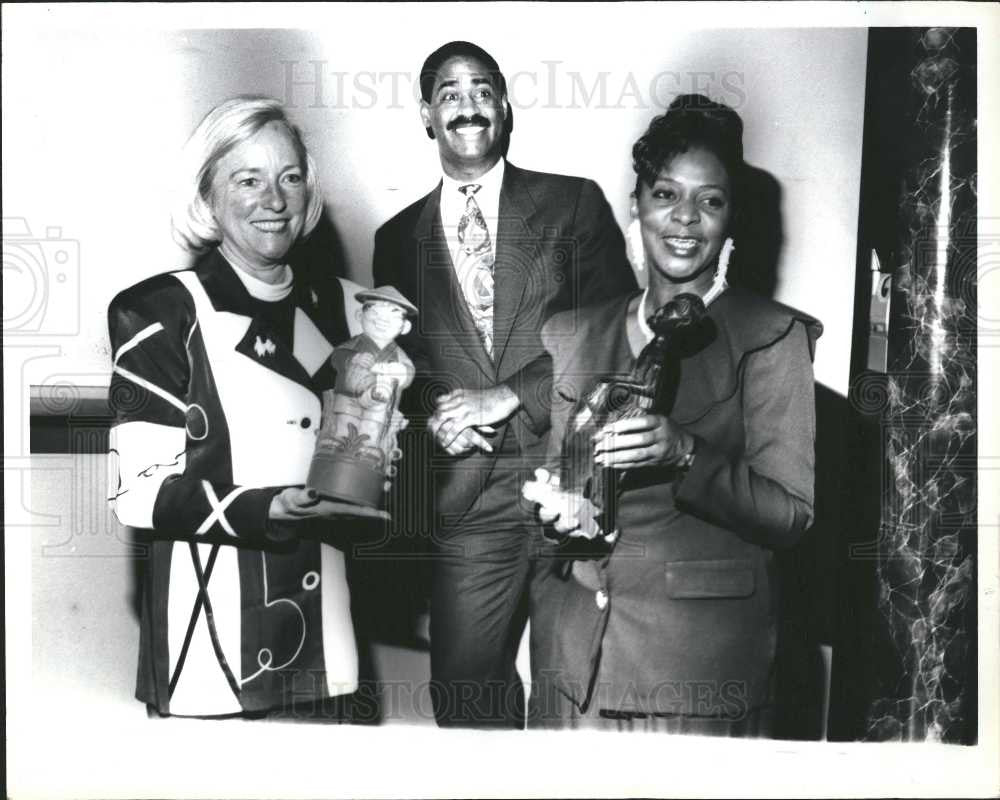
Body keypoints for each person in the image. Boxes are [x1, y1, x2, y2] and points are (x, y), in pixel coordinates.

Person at [525, 94, 822, 735]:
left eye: (710, 200)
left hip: (694, 676)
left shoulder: (772, 337)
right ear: (637, 203)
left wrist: (684, 453)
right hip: (569, 672)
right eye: (665, 194)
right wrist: (553, 508)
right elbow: (558, 494)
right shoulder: (573, 333)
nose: (684, 218)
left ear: (730, 217)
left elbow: (792, 514)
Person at [372, 41, 637, 728]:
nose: (466, 103)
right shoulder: (395, 238)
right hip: (468, 494)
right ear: (427, 116)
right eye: (449, 92)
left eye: (482, 88)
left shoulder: (572, 205)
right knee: (463, 694)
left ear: (505, 108)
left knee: (572, 689)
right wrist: (435, 410)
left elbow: (621, 335)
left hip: (575, 475)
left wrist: (512, 392)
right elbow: (412, 369)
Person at [106, 96, 384, 718]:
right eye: (248, 180)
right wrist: (270, 508)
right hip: (214, 655)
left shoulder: (352, 310)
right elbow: (140, 493)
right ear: (208, 198)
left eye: (290, 178)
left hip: (330, 644)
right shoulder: (159, 313)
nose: (275, 200)